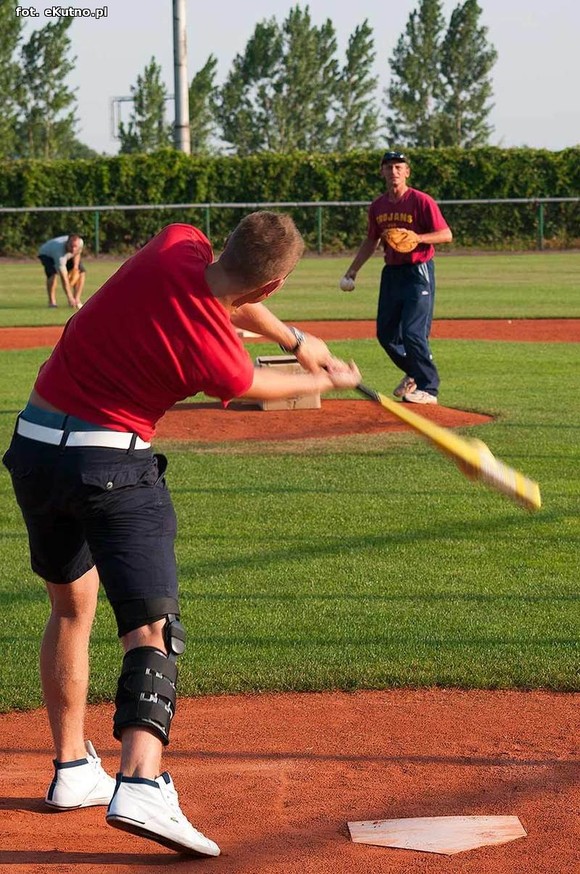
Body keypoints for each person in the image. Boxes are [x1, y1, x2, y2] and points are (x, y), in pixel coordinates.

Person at [3, 212, 360, 857]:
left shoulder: (176, 243)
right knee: (152, 626)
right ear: (273, 285)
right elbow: (254, 384)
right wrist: (324, 378)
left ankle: (72, 770)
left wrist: (296, 337)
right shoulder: (214, 353)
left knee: (71, 605)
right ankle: (141, 781)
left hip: (33, 449)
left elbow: (228, 300)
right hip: (109, 462)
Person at [341, 150, 452, 405]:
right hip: (391, 273)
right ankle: (414, 371)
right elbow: (372, 240)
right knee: (386, 334)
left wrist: (418, 238)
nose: (394, 172)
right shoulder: (378, 206)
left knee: (413, 333)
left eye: (399, 167)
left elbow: (446, 234)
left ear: (407, 172)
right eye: (389, 167)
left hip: (418, 272)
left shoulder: (421, 201)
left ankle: (429, 388)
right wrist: (353, 270)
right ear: (382, 172)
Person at [38, 233, 86, 309]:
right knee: (52, 274)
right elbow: (64, 278)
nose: (73, 249)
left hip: (68, 255)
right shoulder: (59, 253)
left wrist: (75, 267)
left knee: (81, 272)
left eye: (75, 246)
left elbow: (77, 253)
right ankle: (52, 302)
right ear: (67, 243)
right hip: (46, 254)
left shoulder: (80, 242)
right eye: (71, 246)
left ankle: (77, 299)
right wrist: (69, 297)